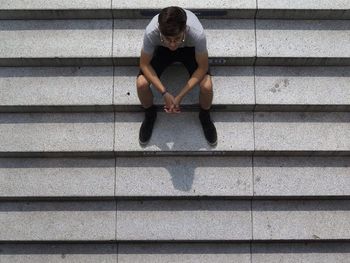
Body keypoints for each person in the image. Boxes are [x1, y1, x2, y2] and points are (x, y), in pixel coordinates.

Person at [136, 6, 217, 146]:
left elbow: (203, 67)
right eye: (168, 39)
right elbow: (144, 64)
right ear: (160, 31)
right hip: (162, 50)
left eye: (176, 39)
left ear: (185, 29)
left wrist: (180, 96)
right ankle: (150, 113)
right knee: (141, 83)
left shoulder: (197, 33)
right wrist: (165, 93)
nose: (172, 44)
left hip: (188, 49)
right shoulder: (151, 32)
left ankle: (204, 115)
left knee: (207, 85)